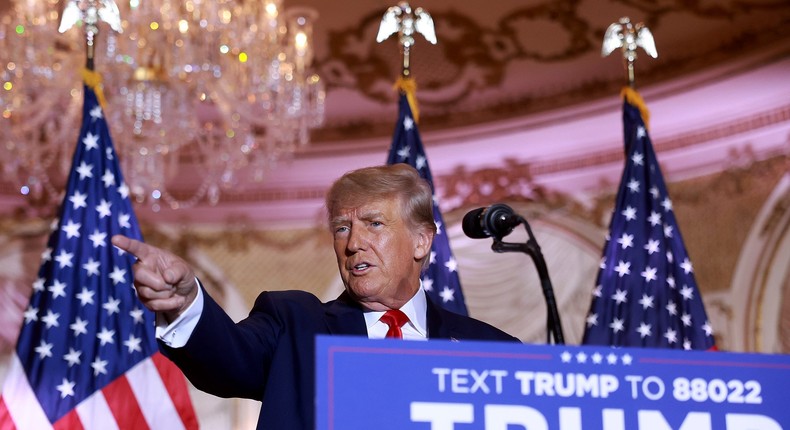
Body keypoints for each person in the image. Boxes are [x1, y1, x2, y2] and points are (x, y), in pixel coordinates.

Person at [112, 163, 519, 430]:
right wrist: (184, 303)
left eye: (373, 224)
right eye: (342, 228)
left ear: (420, 241)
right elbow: (226, 360)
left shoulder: (491, 350)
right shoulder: (295, 323)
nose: (354, 242)